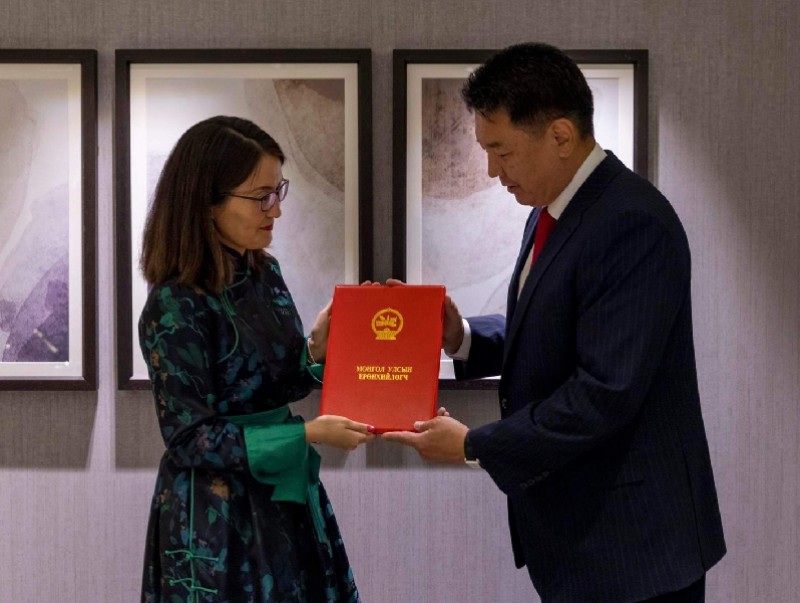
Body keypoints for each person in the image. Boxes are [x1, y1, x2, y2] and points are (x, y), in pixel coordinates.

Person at [383, 43, 726, 602]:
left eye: (501, 151)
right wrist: (461, 336)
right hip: (584, 538)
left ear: (561, 136)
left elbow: (604, 392)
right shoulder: (554, 209)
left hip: (634, 545)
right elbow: (554, 332)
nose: (492, 171)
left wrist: (474, 445)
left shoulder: (631, 221)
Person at [138, 115, 374, 602]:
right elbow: (188, 439)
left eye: (278, 192)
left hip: (282, 498)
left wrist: (315, 352)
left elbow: (276, 384)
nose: (276, 210)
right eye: (261, 196)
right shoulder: (175, 304)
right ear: (206, 201)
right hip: (217, 517)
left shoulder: (264, 273)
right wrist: (306, 434)